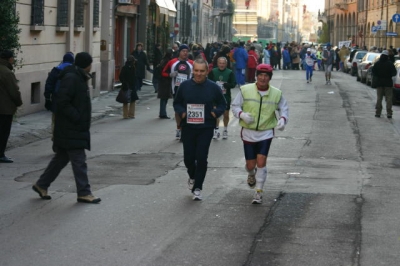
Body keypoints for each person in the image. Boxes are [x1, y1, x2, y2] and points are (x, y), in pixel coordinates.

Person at [32, 52, 101, 203]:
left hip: (71, 127)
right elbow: (62, 101)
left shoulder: (77, 76)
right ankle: (84, 192)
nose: (91, 65)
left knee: (61, 159)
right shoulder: (72, 78)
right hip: (71, 127)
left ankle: (41, 184)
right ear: (87, 65)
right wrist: (77, 117)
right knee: (79, 161)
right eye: (91, 63)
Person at [231, 64, 289, 204]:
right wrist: (242, 114)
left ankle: (258, 192)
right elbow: (235, 106)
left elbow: (284, 108)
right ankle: (251, 174)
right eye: (261, 75)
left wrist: (282, 119)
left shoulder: (276, 93)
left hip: (266, 133)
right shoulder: (245, 90)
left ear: (269, 78)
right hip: (249, 132)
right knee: (251, 165)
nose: (263, 78)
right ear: (257, 76)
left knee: (261, 161)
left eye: (266, 76)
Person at [173, 58, 226, 200]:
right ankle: (192, 176)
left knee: (201, 158)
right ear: (192, 71)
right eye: (196, 70)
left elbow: (223, 103)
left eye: (202, 71)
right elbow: (176, 103)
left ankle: (198, 188)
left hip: (206, 128)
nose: (199, 74)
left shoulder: (213, 87)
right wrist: (182, 112)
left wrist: (216, 113)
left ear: (207, 71)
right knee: (188, 158)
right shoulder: (184, 86)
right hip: (189, 127)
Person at [161, 44, 194, 139]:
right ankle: (178, 129)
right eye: (183, 51)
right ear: (179, 52)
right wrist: (170, 75)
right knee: (178, 110)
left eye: (187, 51)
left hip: (189, 90)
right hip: (176, 90)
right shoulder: (172, 62)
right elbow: (163, 72)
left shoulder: (192, 63)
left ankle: (186, 129)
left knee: (188, 110)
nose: (185, 53)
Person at [44, 52, 74, 150]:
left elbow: (49, 85)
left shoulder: (56, 70)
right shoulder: (74, 70)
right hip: (70, 102)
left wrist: (47, 98)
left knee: (55, 121)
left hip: (57, 100)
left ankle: (55, 139)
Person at [0, 50, 23, 163]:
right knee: (3, 132)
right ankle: (0, 154)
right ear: (9, 59)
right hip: (4, 108)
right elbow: (14, 91)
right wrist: (19, 102)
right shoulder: (7, 72)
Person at [208, 57, 237, 139]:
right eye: (220, 63)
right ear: (217, 63)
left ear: (226, 64)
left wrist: (227, 85)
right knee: (215, 113)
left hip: (225, 96)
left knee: (226, 114)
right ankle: (216, 130)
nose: (222, 65)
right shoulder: (213, 71)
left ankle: (225, 129)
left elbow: (234, 83)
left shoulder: (230, 72)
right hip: (215, 97)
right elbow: (208, 82)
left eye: (223, 63)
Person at [371, 50, 397, 119]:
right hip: (388, 83)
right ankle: (389, 113)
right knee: (389, 98)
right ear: (387, 56)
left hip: (379, 83)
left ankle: (378, 112)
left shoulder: (377, 63)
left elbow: (373, 72)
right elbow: (394, 73)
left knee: (379, 98)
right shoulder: (390, 64)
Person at [157, 49, 173, 119]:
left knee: (163, 98)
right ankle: (163, 113)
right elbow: (164, 72)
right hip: (165, 81)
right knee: (164, 98)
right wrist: (170, 75)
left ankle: (162, 113)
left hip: (163, 81)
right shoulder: (167, 61)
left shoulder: (163, 60)